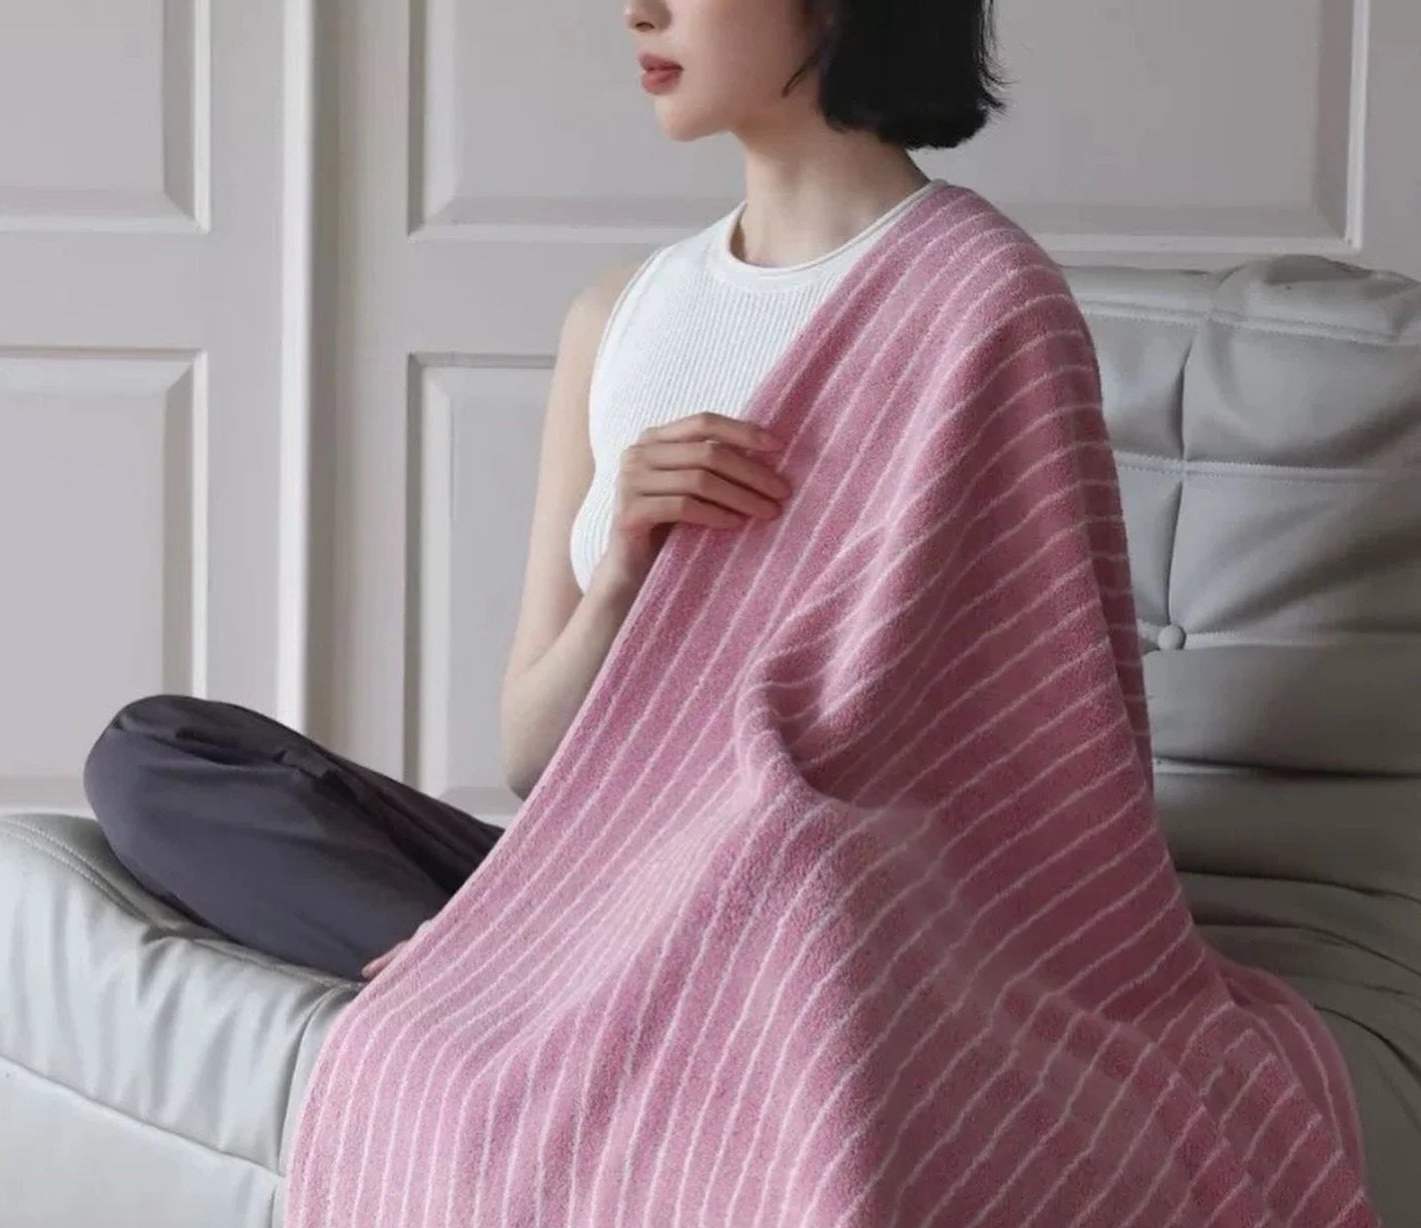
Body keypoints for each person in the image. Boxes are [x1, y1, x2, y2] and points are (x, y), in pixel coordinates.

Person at [82, 0, 1009, 985]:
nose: (637, 11)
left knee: (806, 891)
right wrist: (622, 567)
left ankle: (510, 991)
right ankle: (488, 979)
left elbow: (976, 753)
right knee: (151, 754)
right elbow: (532, 757)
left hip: (782, 915)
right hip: (573, 885)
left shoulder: (977, 299)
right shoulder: (619, 314)